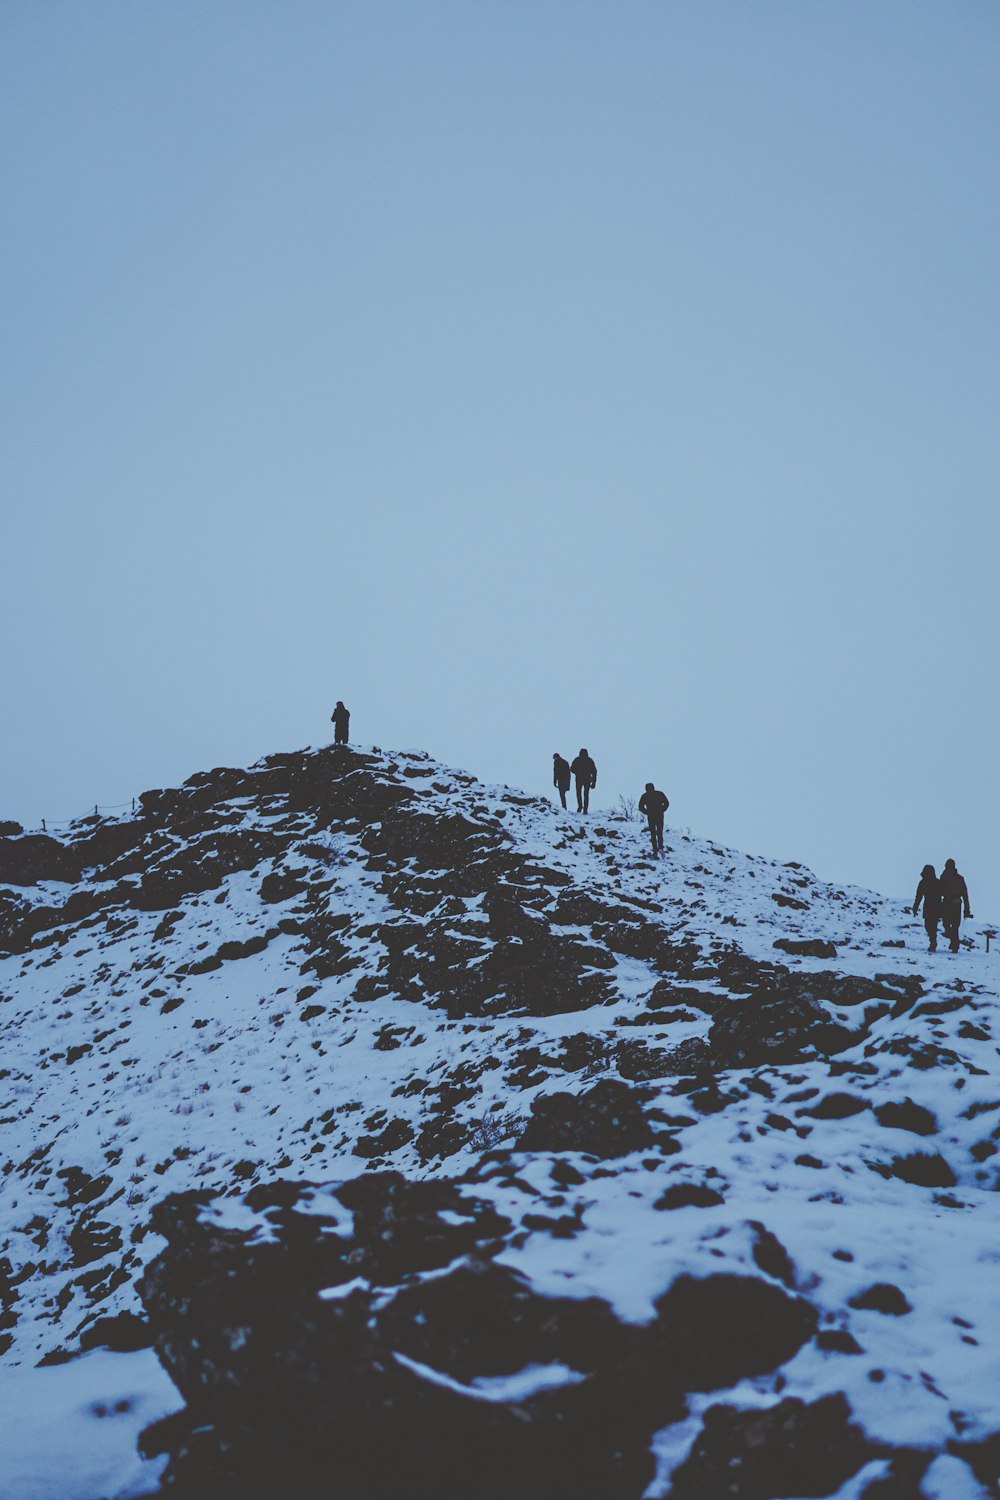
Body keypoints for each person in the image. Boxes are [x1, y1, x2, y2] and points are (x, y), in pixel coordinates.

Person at [939, 858, 972, 953]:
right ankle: (954, 944)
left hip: (947, 903)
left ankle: (954, 944)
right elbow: (965, 895)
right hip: (956, 904)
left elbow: (940, 891)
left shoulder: (944, 876)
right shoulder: (960, 878)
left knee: (947, 924)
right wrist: (967, 909)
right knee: (954, 925)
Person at [912, 864, 942, 953]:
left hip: (930, 906)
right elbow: (919, 896)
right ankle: (933, 941)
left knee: (929, 925)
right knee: (931, 926)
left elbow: (919, 897)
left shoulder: (924, 882)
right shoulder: (937, 882)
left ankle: (933, 942)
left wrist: (915, 907)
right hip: (935, 906)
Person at [638, 782, 670, 856]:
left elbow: (640, 806)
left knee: (653, 833)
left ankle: (655, 850)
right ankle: (661, 848)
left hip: (651, 816)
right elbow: (667, 803)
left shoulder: (645, 795)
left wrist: (647, 812)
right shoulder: (660, 793)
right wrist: (662, 810)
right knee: (659, 832)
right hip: (660, 815)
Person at [570, 748, 597, 813]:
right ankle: (585, 809)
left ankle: (580, 806)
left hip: (579, 779)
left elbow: (572, 769)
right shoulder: (590, 760)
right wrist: (594, 782)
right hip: (587, 779)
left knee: (578, 793)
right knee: (586, 794)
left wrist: (576, 772)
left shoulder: (577, 759)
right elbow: (594, 771)